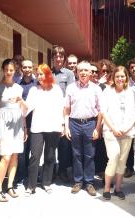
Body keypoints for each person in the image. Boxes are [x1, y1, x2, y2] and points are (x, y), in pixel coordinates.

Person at [25, 63, 64, 196]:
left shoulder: (57, 89)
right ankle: (31, 186)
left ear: (47, 74)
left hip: (54, 127)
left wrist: (63, 125)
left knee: (50, 156)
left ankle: (46, 182)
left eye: (41, 74)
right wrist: (20, 102)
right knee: (35, 156)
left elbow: (61, 108)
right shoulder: (34, 90)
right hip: (37, 128)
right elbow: (27, 109)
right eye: (38, 74)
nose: (38, 77)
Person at [64, 61, 102, 196]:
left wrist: (97, 128)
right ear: (77, 72)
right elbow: (66, 109)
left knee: (90, 154)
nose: (83, 73)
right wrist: (66, 127)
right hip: (74, 123)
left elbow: (100, 111)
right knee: (76, 154)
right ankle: (78, 181)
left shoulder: (96, 89)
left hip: (90, 123)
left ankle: (90, 182)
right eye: (81, 70)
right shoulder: (70, 88)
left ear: (91, 73)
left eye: (86, 70)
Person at [0, 59, 27, 202]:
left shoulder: (19, 88)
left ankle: (10, 186)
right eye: (6, 69)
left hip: (17, 125)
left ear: (15, 70)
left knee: (14, 156)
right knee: (5, 157)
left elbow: (23, 110)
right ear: (3, 70)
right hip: (4, 126)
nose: (8, 72)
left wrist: (24, 127)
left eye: (11, 70)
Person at [101, 66, 135, 200]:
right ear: (113, 78)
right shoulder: (107, 92)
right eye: (117, 76)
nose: (120, 79)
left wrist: (126, 128)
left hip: (127, 132)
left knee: (122, 161)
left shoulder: (132, 92)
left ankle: (118, 188)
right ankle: (106, 188)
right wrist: (114, 128)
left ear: (126, 77)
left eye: (122, 76)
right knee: (114, 157)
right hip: (111, 131)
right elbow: (103, 112)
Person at [52, 45, 74, 183]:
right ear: (53, 58)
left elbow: (70, 94)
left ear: (64, 58)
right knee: (50, 143)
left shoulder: (69, 74)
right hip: (49, 113)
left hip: (64, 112)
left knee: (64, 144)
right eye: (56, 56)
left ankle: (62, 170)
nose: (58, 58)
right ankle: (51, 170)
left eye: (61, 56)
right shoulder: (48, 73)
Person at [16, 59, 36, 184]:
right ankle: (21, 175)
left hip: (35, 120)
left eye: (30, 67)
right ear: (21, 69)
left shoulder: (37, 84)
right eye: (25, 67)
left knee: (33, 149)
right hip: (21, 120)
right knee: (22, 149)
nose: (27, 69)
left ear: (32, 68)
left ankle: (31, 174)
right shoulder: (17, 85)